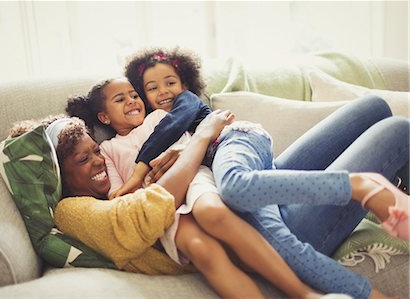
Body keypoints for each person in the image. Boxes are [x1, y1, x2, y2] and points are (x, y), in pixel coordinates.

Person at [123, 47, 410, 298]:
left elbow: (172, 126)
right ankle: (366, 188)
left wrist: (143, 168)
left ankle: (382, 192)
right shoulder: (157, 183)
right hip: (280, 218)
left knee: (373, 107)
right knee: (397, 128)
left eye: (170, 82)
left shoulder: (176, 119)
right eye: (151, 88)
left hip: (252, 164)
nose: (163, 91)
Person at [66, 78, 335, 299]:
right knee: (200, 249)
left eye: (134, 95)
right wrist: (140, 187)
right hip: (161, 203)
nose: (132, 101)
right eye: (120, 99)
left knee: (214, 212)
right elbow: (117, 194)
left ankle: (303, 293)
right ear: (104, 116)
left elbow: (193, 143)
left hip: (193, 177)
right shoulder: (109, 149)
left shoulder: (159, 117)